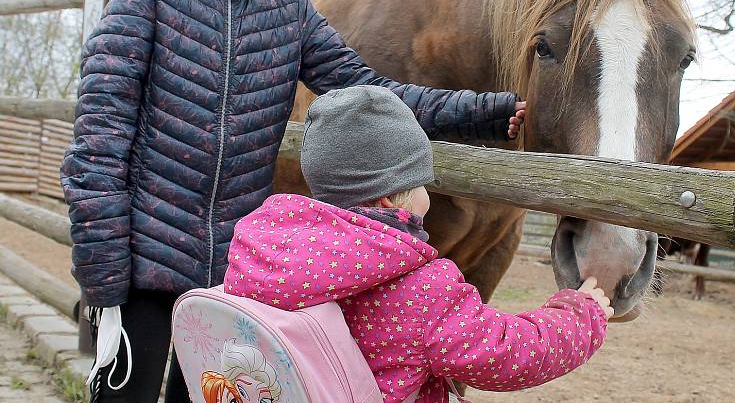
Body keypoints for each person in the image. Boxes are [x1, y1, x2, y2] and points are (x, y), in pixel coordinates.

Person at [60, 0, 525, 403]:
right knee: (120, 396)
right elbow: (99, 138)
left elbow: (367, 92)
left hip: (235, 273)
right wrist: (103, 268)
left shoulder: (288, 9)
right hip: (139, 262)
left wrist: (484, 111)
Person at [225, 86, 612, 402]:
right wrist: (581, 314)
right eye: (421, 183)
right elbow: (508, 353)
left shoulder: (261, 250)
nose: (428, 194)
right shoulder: (419, 289)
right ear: (390, 202)